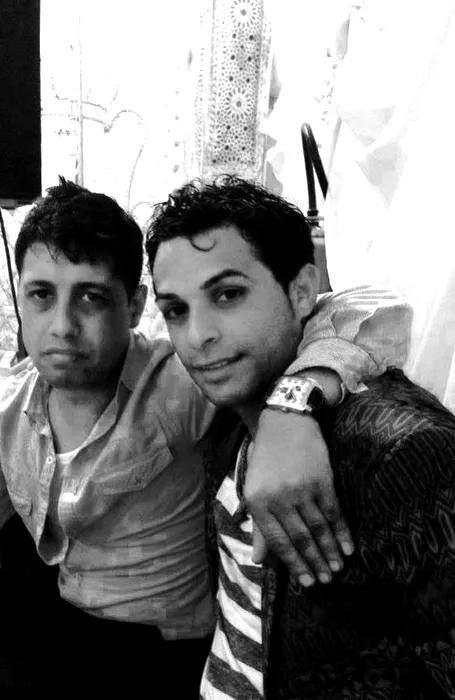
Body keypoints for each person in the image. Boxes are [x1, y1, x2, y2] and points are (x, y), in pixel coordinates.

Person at [0, 178, 410, 698]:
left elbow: (374, 308)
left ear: (135, 306)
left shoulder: (181, 380)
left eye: (91, 297)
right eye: (41, 295)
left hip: (152, 646)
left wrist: (290, 409)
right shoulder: (9, 405)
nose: (62, 326)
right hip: (55, 601)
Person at [146, 173, 455, 699]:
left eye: (228, 294)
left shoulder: (401, 453)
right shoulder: (227, 420)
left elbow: (373, 305)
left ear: (302, 291)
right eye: (176, 309)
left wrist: (292, 404)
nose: (197, 337)